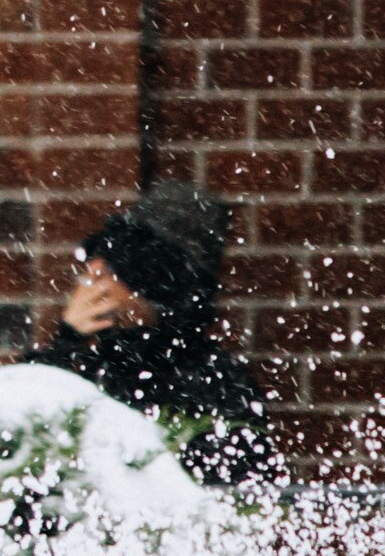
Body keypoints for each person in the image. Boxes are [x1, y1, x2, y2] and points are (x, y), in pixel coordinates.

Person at [29, 186, 277, 487]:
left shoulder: (215, 384)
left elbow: (230, 495)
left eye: (113, 268)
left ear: (152, 286)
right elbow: (16, 441)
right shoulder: (92, 367)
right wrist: (66, 342)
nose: (91, 277)